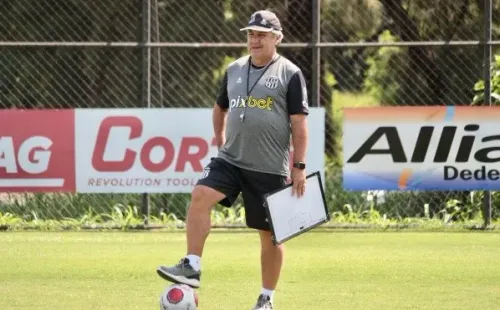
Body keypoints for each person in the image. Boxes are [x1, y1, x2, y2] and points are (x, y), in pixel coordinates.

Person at [157, 9, 309, 310]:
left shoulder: (290, 73)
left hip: (269, 166)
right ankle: (192, 264)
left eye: (261, 35)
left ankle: (266, 299)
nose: (254, 40)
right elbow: (219, 108)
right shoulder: (234, 69)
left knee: (271, 238)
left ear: (277, 38)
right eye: (251, 34)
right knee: (200, 195)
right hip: (231, 160)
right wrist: (220, 139)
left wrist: (299, 167)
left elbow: (299, 124)